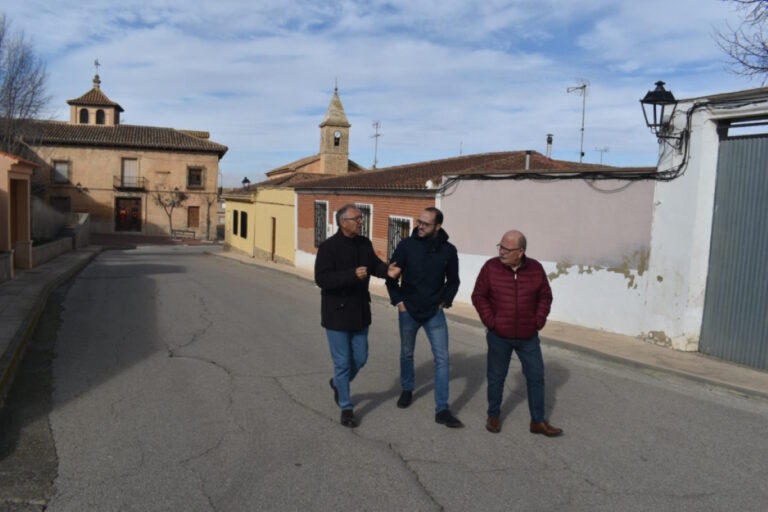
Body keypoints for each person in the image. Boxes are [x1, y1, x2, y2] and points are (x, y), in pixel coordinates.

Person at [315, 204, 401, 428]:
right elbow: (322, 279)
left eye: (362, 218)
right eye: (358, 218)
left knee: (360, 358)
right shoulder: (328, 248)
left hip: (360, 312)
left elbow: (374, 265)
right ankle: (346, 407)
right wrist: (351, 275)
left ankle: (337, 383)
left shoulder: (365, 244)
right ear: (344, 222)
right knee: (342, 362)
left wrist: (387, 271)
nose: (362, 222)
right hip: (336, 314)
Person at [471, 230, 563, 437]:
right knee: (496, 377)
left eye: (506, 249)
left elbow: (545, 297)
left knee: (536, 376)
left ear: (520, 251)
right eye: (500, 246)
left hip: (528, 336)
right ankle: (493, 416)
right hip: (499, 335)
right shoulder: (490, 268)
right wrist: (491, 321)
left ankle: (537, 421)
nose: (501, 251)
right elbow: (479, 296)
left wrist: (538, 321)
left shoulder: (536, 269)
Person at [386, 207, 463, 428]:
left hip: (434, 313)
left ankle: (442, 409)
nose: (420, 226)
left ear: (437, 226)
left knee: (442, 360)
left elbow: (454, 281)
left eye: (426, 224)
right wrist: (399, 303)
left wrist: (445, 300)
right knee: (407, 353)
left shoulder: (448, 251)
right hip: (408, 310)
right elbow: (391, 277)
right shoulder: (406, 246)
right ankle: (407, 389)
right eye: (419, 222)